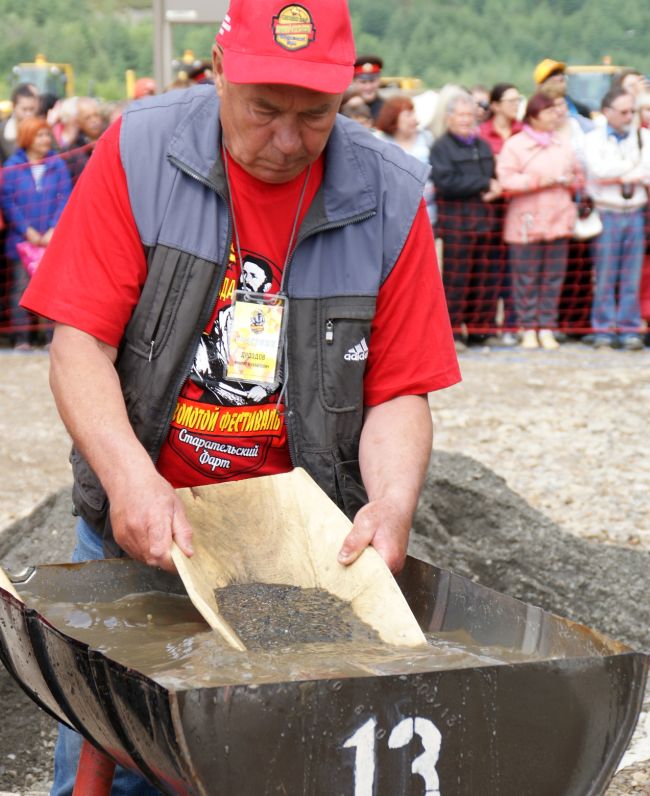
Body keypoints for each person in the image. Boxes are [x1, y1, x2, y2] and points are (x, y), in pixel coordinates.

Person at [21, 0, 460, 791]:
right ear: (220, 72)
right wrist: (129, 481)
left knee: (271, 763)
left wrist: (392, 505)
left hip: (300, 549)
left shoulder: (389, 192)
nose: (288, 141)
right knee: (115, 756)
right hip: (148, 522)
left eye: (315, 115)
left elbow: (399, 388)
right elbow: (79, 344)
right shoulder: (141, 150)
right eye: (264, 111)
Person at [497, 93, 582, 350]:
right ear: (533, 116)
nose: (554, 116)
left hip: (558, 219)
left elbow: (579, 175)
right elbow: (506, 178)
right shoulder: (515, 145)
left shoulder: (563, 143)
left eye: (556, 111)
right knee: (526, 278)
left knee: (553, 277)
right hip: (526, 222)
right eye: (548, 112)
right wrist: (536, 182)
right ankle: (527, 327)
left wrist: (571, 181)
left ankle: (547, 326)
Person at [430, 91, 502, 346]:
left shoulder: (482, 146)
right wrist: (483, 184)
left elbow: (494, 177)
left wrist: (492, 186)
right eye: (460, 115)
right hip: (457, 226)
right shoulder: (441, 147)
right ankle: (454, 332)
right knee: (456, 280)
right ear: (449, 118)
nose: (465, 120)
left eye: (470, 115)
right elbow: (446, 182)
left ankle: (482, 331)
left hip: (484, 223)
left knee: (485, 279)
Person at [583, 88, 650, 350]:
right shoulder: (593, 139)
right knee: (605, 274)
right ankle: (604, 328)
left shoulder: (643, 137)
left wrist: (622, 174)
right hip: (606, 212)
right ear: (607, 112)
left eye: (632, 111)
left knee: (631, 275)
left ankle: (629, 328)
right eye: (623, 112)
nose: (629, 116)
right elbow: (599, 170)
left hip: (635, 211)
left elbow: (647, 170)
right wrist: (631, 171)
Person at [1, 117, 71, 349]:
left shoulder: (57, 164)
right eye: (40, 135)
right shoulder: (13, 166)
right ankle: (22, 338)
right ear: (28, 137)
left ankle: (52, 338)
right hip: (21, 242)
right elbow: (8, 202)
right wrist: (27, 230)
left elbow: (65, 197)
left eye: (47, 134)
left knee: (52, 288)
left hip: (52, 240)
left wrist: (53, 228)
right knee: (20, 288)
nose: (45, 139)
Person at [375, 94, 435, 222]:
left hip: (427, 210)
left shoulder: (426, 137)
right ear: (393, 117)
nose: (414, 119)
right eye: (408, 115)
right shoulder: (380, 141)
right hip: (394, 213)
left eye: (413, 113)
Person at [533, 58, 593, 131]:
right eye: (554, 74)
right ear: (542, 84)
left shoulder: (581, 110)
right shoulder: (533, 111)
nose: (560, 77)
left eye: (561, 73)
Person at [61, 96, 106, 184]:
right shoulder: (74, 149)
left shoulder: (109, 140)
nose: (94, 120)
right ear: (78, 122)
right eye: (87, 117)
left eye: (96, 115)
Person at [0, 84, 38, 163]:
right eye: (24, 109)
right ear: (14, 107)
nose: (28, 114)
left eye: (32, 109)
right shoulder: (3, 130)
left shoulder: (41, 128)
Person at [352, 54, 384, 121]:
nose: (368, 87)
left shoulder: (387, 108)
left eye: (372, 81)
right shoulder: (345, 107)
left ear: (379, 81)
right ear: (353, 82)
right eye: (363, 82)